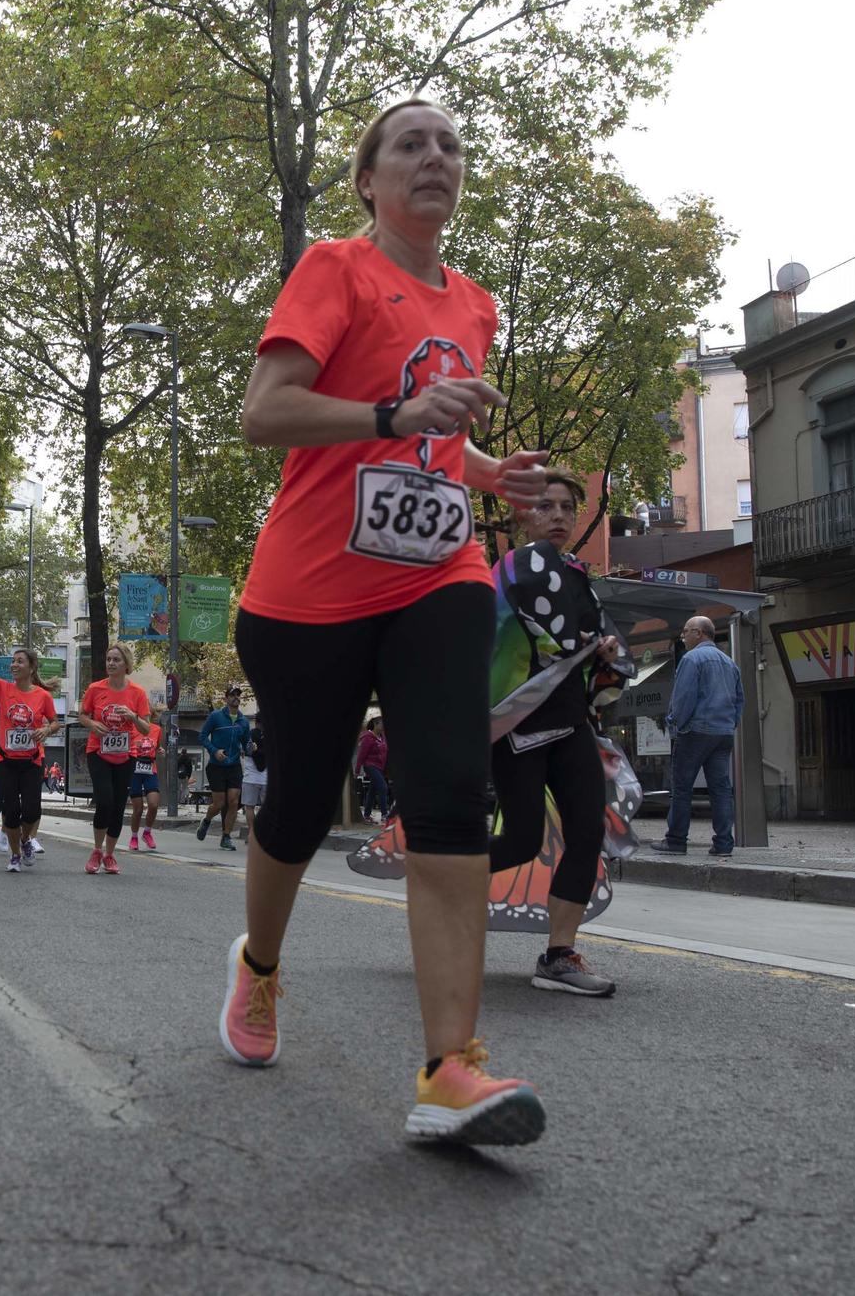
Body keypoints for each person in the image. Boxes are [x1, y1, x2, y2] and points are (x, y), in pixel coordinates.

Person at [220, 97, 553, 1145]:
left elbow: (433, 444)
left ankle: (449, 1067)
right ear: (368, 180)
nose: (433, 157)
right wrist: (391, 418)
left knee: (450, 790)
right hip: (307, 591)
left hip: (434, 572)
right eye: (408, 143)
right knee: (302, 810)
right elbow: (262, 411)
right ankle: (259, 964)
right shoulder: (334, 269)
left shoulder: (476, 306)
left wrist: (491, 475)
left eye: (449, 144)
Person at [488, 471, 624, 997]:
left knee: (587, 833)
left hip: (569, 722)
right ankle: (444, 871)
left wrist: (604, 648)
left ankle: (559, 955)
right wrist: (582, 643)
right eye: (546, 506)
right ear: (522, 514)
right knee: (520, 840)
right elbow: (525, 640)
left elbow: (588, 640)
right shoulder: (514, 568)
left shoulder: (576, 574)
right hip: (518, 724)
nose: (560, 516)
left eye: (567, 507)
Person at [0, 636, 61, 871]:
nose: (14, 665)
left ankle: (26, 839)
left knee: (31, 811)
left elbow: (55, 722)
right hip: (6, 761)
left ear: (31, 667)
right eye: (13, 661)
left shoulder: (42, 696)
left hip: (31, 761)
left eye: (20, 661)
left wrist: (46, 729)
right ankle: (16, 855)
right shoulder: (2, 688)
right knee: (11, 812)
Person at [653, 614, 742, 858]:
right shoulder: (729, 662)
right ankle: (724, 844)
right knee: (721, 789)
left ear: (699, 633)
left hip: (696, 731)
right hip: (723, 733)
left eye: (686, 632)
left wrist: (675, 725)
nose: (683, 637)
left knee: (682, 787)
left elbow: (683, 699)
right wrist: (730, 724)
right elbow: (739, 699)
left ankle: (676, 841)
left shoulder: (691, 659)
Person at [76, 643, 150, 875]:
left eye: (116, 660)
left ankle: (109, 855)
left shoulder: (137, 693)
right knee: (105, 800)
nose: (110, 663)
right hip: (98, 751)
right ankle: (96, 850)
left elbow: (147, 728)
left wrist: (133, 716)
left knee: (118, 807)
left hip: (126, 755)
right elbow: (82, 715)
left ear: (126, 664)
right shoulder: (95, 689)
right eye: (108, 659)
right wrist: (92, 724)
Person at [197, 687, 251, 849]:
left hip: (234, 765)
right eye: (232, 695)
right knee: (219, 804)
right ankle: (206, 820)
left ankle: (226, 837)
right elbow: (202, 736)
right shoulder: (216, 717)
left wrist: (250, 746)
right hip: (216, 766)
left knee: (234, 801)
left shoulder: (244, 721)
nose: (236, 698)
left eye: (238, 695)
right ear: (226, 698)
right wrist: (215, 751)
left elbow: (246, 744)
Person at [126, 719, 162, 851]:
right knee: (138, 809)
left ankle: (147, 832)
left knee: (153, 804)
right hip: (134, 770)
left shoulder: (157, 729)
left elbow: (157, 746)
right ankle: (134, 837)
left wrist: (160, 750)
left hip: (150, 769)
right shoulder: (132, 728)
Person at [240, 715, 268, 845]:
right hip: (266, 778)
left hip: (250, 777)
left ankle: (252, 834)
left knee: (249, 807)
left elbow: (246, 751)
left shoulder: (249, 735)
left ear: (256, 722)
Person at [354, 717, 389, 823]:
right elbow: (361, 755)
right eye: (381, 724)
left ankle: (367, 815)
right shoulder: (368, 738)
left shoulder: (382, 737)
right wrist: (357, 770)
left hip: (379, 768)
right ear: (375, 724)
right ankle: (384, 814)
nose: (383, 726)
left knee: (372, 791)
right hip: (370, 766)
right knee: (383, 787)